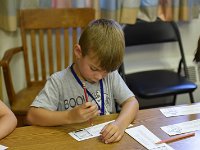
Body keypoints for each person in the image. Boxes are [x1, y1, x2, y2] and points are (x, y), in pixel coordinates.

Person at [27, 19, 139, 144]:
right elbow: (33, 116)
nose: (99, 77)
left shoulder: (110, 76)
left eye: (106, 71)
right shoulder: (58, 81)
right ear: (78, 52)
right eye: (94, 69)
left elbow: (132, 102)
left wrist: (120, 125)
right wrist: (69, 116)